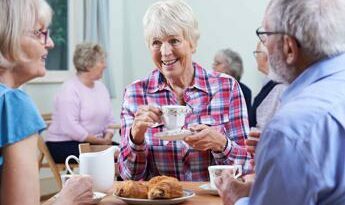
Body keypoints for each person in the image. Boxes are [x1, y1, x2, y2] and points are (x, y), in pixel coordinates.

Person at [216, 0, 345, 204]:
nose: (264, 45)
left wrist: (236, 199)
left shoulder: (289, 130)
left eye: (265, 35)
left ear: (289, 48)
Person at [118, 0, 251, 182]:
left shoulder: (227, 88)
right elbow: (129, 177)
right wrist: (136, 138)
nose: (165, 52)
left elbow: (247, 169)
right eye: (156, 42)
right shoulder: (135, 93)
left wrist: (221, 144)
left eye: (174, 40)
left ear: (192, 43)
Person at [0, 0, 93, 204]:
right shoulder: (12, 104)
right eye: (39, 32)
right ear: (8, 37)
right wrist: (67, 199)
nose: (50, 42)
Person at [46, 42, 115, 163]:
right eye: (101, 61)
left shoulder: (101, 87)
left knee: (126, 153)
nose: (105, 66)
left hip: (92, 142)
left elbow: (110, 120)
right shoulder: (69, 89)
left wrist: (108, 137)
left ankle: (124, 183)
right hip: (63, 144)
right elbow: (71, 128)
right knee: (112, 155)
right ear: (88, 65)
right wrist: (100, 142)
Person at [249, 42, 287, 129]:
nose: (256, 58)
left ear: (265, 56)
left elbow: (264, 126)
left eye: (257, 53)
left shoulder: (279, 86)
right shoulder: (270, 83)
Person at [213, 48, 252, 115]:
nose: (213, 66)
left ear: (231, 67)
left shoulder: (244, 92)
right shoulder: (210, 88)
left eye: (217, 63)